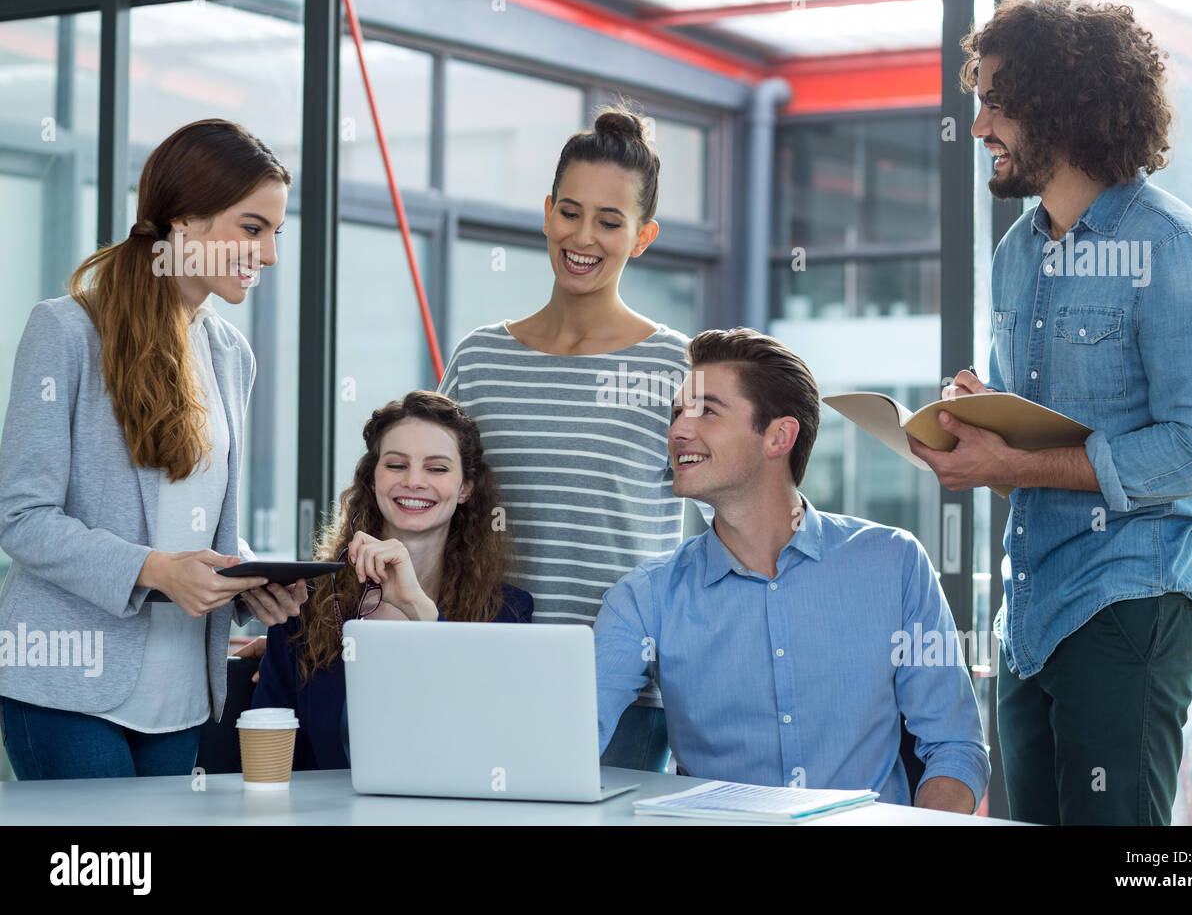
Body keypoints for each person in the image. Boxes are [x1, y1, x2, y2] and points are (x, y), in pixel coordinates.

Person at [909, 0, 1192, 825]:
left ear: (1063, 103)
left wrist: (1017, 462)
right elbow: (1033, 440)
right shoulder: (1018, 252)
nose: (978, 123)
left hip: (1131, 600)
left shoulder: (1177, 251)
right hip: (1030, 611)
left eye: (995, 100)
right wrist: (978, 429)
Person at [0, 118, 308, 780]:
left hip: (181, 697)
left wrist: (251, 577)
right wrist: (155, 570)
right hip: (67, 686)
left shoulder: (231, 356)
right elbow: (20, 519)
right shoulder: (66, 332)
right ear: (184, 224)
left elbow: (196, 523)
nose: (270, 254)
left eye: (276, 234)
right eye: (252, 229)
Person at [594, 328, 990, 810]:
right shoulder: (645, 598)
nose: (678, 429)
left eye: (706, 410)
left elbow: (955, 748)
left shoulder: (893, 561)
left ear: (779, 436)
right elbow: (569, 740)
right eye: (677, 412)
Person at [438, 106, 695, 770]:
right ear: (547, 211)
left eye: (611, 222)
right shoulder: (478, 359)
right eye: (571, 212)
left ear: (642, 237)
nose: (584, 236)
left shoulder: (676, 369)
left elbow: (727, 531)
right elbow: (430, 509)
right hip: (486, 671)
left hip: (627, 695)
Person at [252, 391, 532, 770]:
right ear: (372, 478)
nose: (414, 481)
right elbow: (270, 754)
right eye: (397, 465)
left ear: (466, 488)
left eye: (437, 469)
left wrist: (418, 607)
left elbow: (494, 740)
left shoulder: (508, 612)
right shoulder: (306, 600)